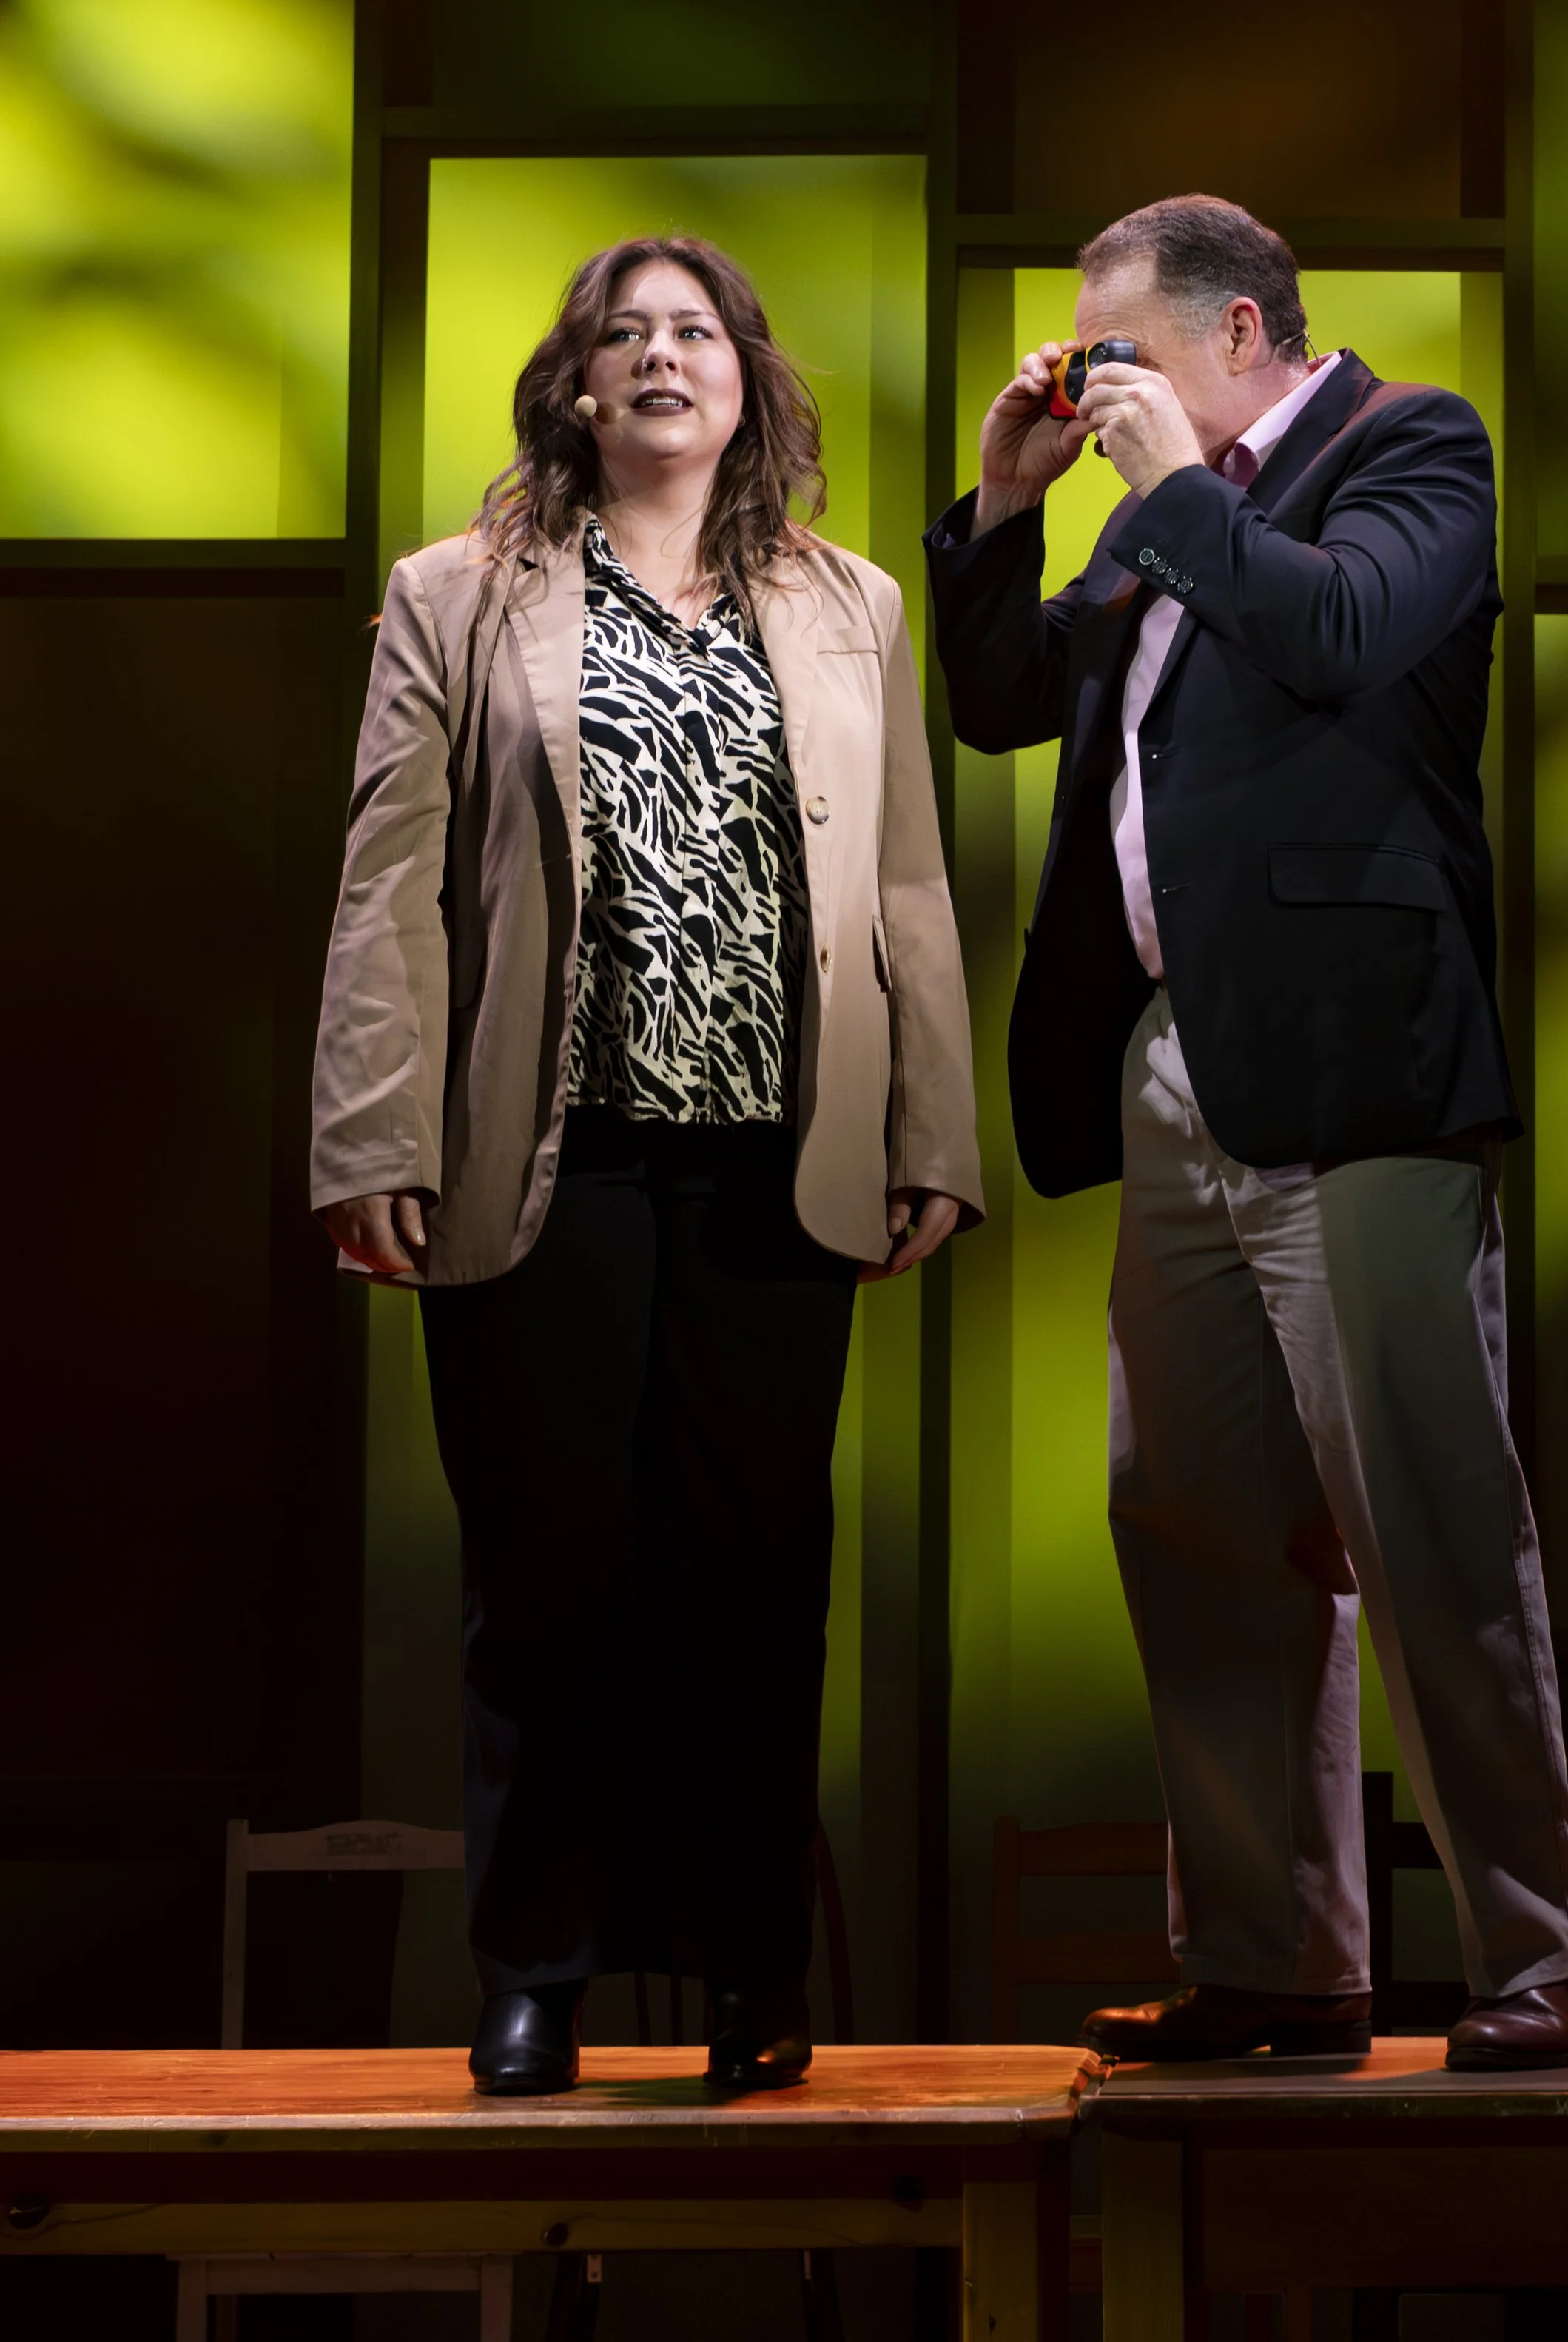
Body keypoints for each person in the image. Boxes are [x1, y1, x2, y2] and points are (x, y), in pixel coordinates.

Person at [925, 195, 1568, 2072]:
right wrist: (1005, 503)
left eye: (1117, 354)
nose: (1098, 390)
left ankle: (1536, 1952)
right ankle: (1273, 1954)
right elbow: (995, 701)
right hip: (1168, 1071)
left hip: (1355, 1066)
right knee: (1199, 1522)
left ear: (1239, 337)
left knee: (1426, 1510)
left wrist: (1165, 490)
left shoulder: (1406, 447)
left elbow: (1344, 633)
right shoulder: (1161, 530)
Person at [312, 235, 981, 2096]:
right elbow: (390, 882)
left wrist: (935, 1124)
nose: (662, 357)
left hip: (779, 1165)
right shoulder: (457, 594)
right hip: (544, 1157)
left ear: (747, 379)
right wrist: (370, 1132)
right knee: (545, 1581)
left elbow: (906, 879)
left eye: (694, 331)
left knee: (757, 1584)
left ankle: (751, 1971)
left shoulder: (849, 604)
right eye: (626, 335)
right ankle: (533, 1969)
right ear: (577, 387)